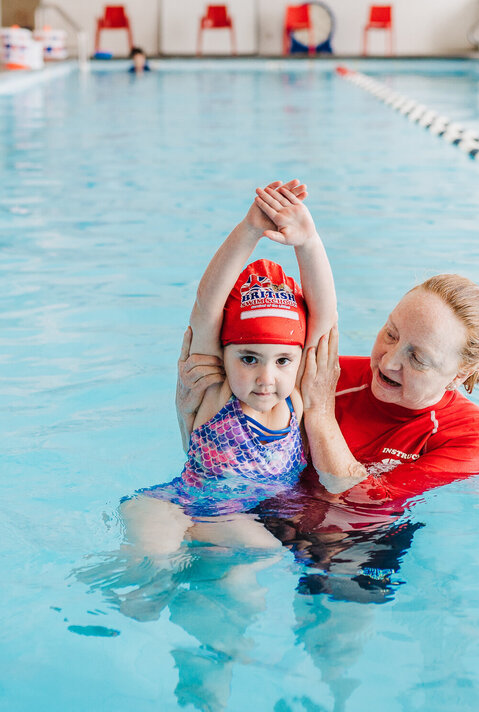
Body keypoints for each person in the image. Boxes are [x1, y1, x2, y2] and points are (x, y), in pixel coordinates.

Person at [178, 272, 479, 529]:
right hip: (260, 512)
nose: (388, 362)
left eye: (418, 359)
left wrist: (321, 412)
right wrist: (186, 409)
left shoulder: (473, 438)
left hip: (359, 541)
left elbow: (365, 502)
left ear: (460, 373)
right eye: (390, 334)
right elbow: (225, 449)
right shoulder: (324, 374)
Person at [121, 180, 338, 554]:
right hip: (176, 508)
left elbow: (325, 323)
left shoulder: (296, 402)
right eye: (248, 358)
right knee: (151, 577)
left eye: (283, 360)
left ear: (299, 359)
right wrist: (250, 229)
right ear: (224, 355)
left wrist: (309, 242)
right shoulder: (216, 394)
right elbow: (207, 306)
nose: (266, 378)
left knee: (243, 599)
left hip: (232, 523)